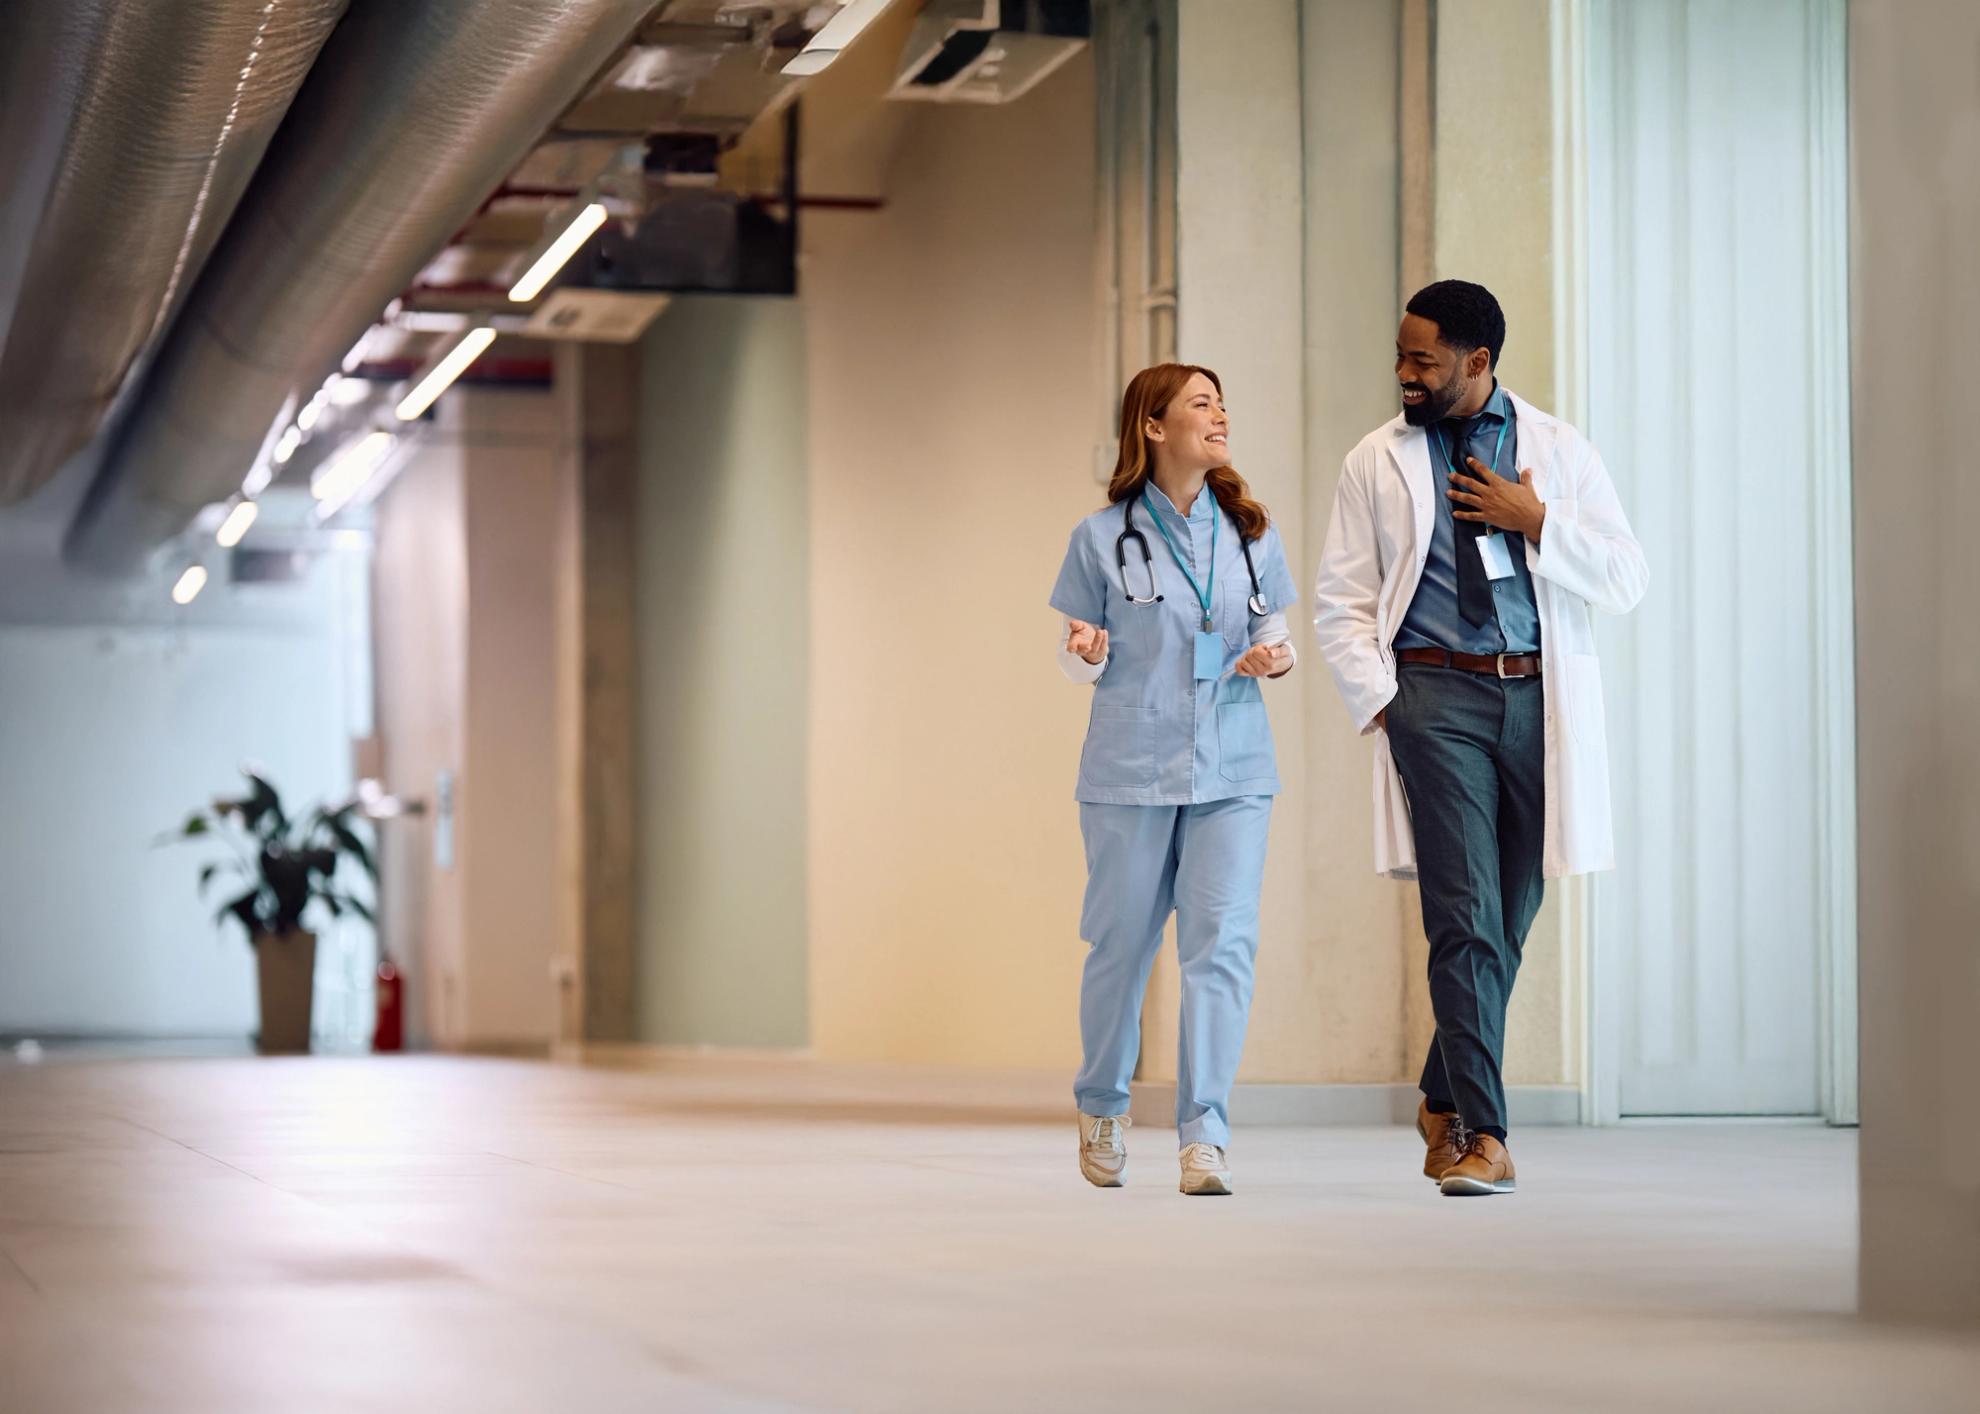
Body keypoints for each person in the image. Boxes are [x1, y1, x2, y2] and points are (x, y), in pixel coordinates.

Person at [1312, 281, 1648, 1196]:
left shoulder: (1557, 450)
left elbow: (1626, 577)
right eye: (1401, 357)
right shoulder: (1373, 460)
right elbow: (1341, 598)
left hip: (1538, 701)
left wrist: (1535, 520)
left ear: (1478, 362)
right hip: (1434, 700)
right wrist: (1388, 703)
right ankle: (1480, 1132)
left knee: (1508, 919)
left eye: (1423, 360)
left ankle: (1438, 1088)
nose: (1404, 375)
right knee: (1463, 917)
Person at [1050, 363, 1299, 1197]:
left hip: (1234, 767)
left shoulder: (1252, 530)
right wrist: (1082, 655)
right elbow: (1079, 646)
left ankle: (1206, 1135)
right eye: (1201, 404)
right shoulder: (1101, 536)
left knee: (1221, 949)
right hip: (1131, 767)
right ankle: (1103, 1105)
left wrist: (1275, 655)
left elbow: (1275, 633)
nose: (1220, 415)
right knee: (1120, 948)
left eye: (1223, 403)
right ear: (1154, 428)